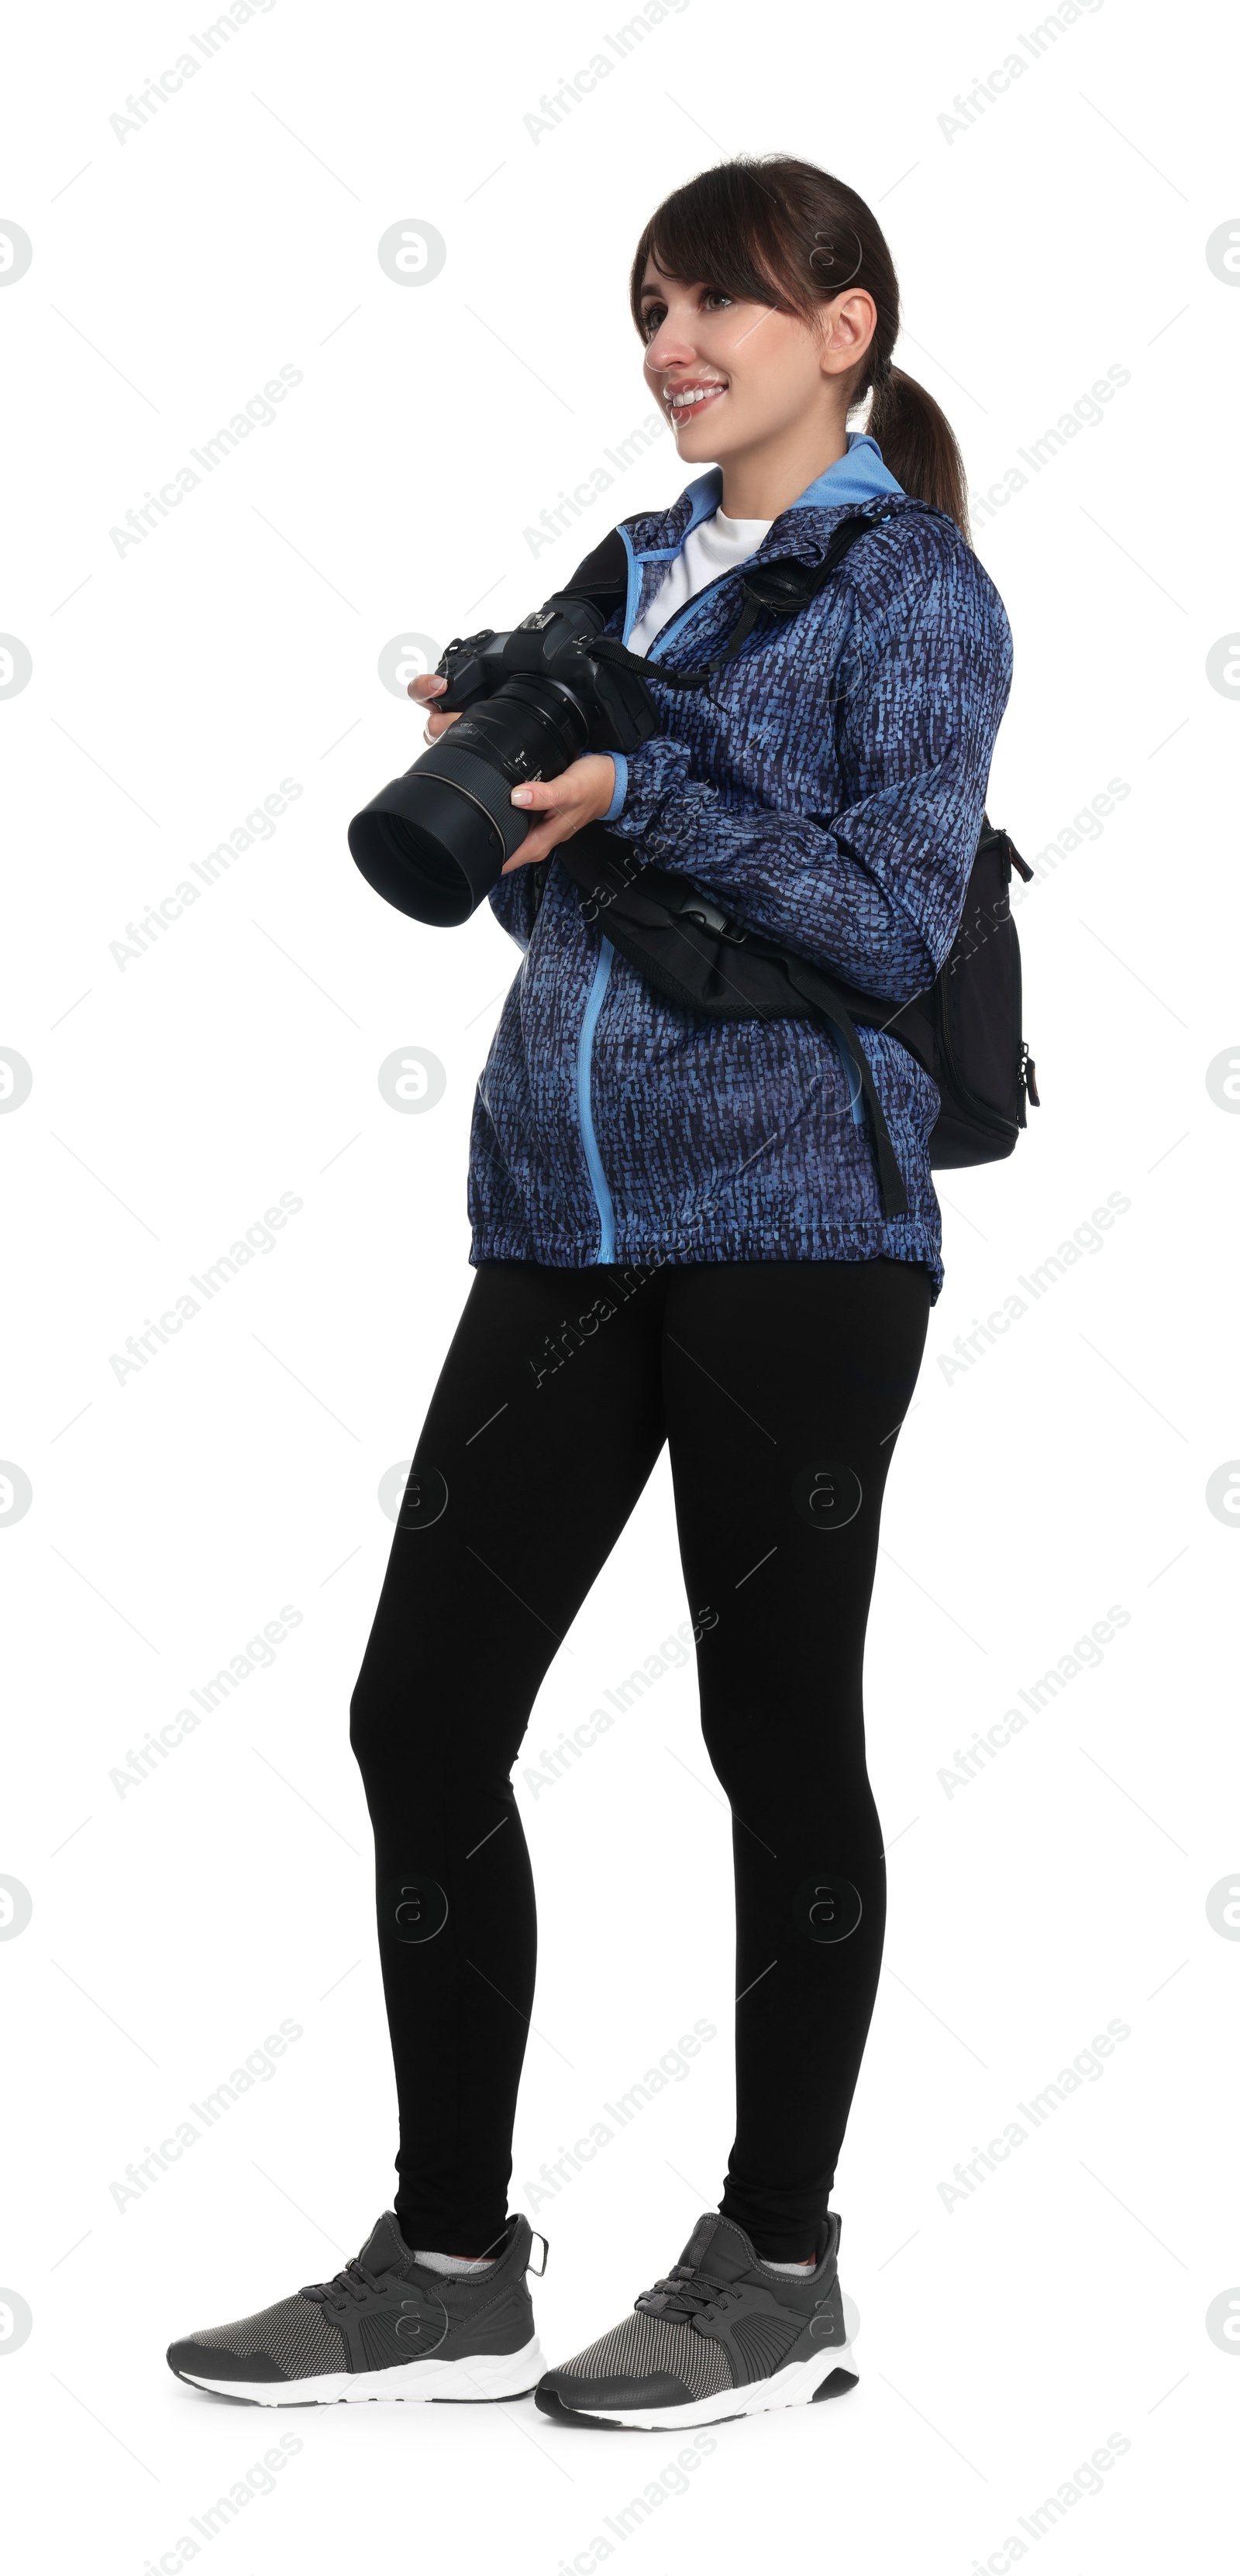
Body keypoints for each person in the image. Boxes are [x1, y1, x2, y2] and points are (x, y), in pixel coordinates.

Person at [167, 153, 1013, 2429]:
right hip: (561, 1212)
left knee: (771, 1738)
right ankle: (453, 2259)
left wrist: (649, 771)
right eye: (651, 304)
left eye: (721, 301)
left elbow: (889, 914)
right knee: (420, 1711)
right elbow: (574, 906)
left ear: (844, 328)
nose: (672, 342)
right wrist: (524, 774)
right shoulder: (631, 564)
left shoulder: (913, 589)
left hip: (802, 1234)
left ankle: (776, 2264)